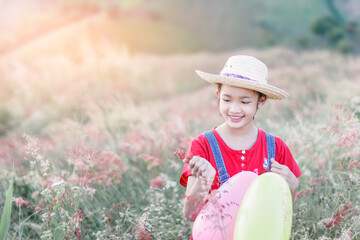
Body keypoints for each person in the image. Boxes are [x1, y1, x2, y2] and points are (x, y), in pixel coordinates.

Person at [179, 55, 302, 225]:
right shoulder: (202, 145)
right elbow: (190, 214)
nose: (234, 109)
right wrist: (204, 180)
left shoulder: (276, 147)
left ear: (261, 101)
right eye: (227, 99)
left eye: (245, 102)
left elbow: (281, 214)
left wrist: (292, 187)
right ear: (218, 94)